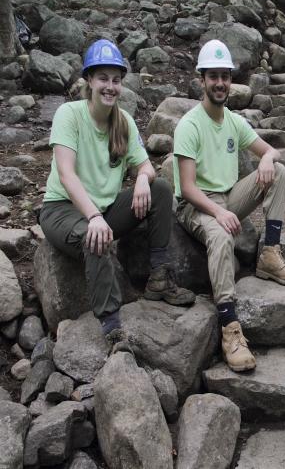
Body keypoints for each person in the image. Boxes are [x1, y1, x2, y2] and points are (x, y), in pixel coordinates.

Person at [40, 39, 194, 353]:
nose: (110, 86)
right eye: (103, 79)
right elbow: (67, 174)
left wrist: (141, 181)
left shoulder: (122, 122)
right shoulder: (69, 115)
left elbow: (146, 167)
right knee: (93, 238)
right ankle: (111, 326)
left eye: (116, 80)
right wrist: (94, 218)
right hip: (63, 209)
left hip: (105, 209)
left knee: (160, 188)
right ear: (89, 81)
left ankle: (159, 277)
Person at [173, 39, 285, 373]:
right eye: (213, 76)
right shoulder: (189, 124)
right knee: (220, 236)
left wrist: (266, 160)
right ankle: (230, 329)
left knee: (277, 171)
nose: (220, 82)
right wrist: (218, 212)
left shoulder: (232, 120)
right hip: (196, 204)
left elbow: (271, 151)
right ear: (202, 79)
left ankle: (270, 254)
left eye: (225, 76)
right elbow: (187, 188)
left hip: (228, 196)